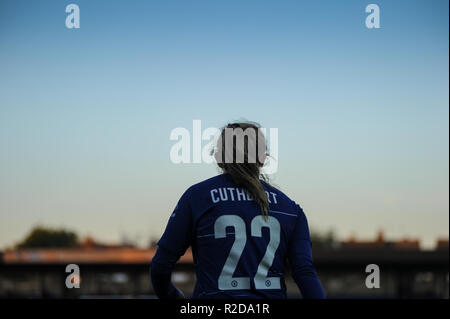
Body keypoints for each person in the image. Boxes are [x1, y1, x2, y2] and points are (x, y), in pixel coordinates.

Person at [150, 122, 325, 299]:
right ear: (263, 158)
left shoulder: (197, 197)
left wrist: (171, 295)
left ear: (219, 157)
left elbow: (161, 265)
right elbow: (304, 273)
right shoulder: (291, 209)